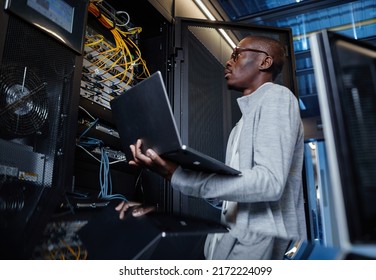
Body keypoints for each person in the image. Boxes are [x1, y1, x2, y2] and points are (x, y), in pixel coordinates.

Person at [116, 35, 307, 260]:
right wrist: (175, 171)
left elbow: (269, 183)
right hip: (227, 244)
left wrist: (178, 175)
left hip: (255, 249)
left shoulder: (277, 98)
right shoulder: (240, 126)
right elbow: (235, 196)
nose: (228, 62)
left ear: (264, 62)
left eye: (237, 54)